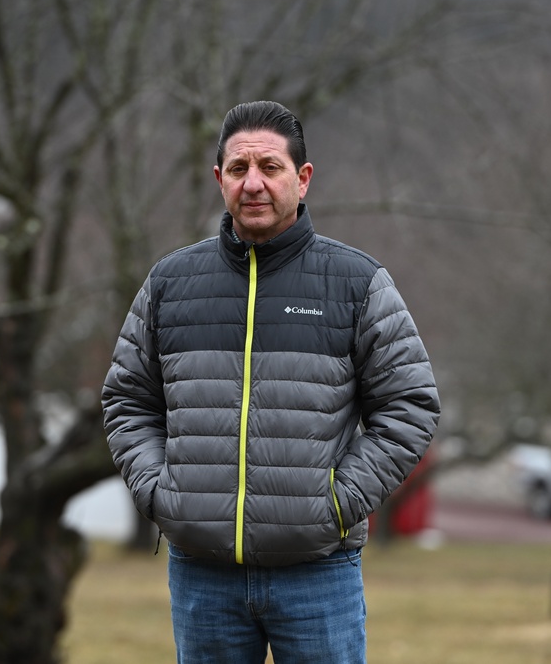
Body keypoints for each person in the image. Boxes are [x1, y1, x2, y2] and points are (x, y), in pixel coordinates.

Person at [102, 100, 440, 664]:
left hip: (317, 573)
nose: (253, 183)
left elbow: (410, 404)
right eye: (238, 169)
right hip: (201, 574)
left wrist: (338, 502)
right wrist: (162, 493)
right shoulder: (170, 282)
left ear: (302, 179)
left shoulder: (357, 283)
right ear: (219, 180)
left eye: (270, 167)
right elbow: (127, 401)